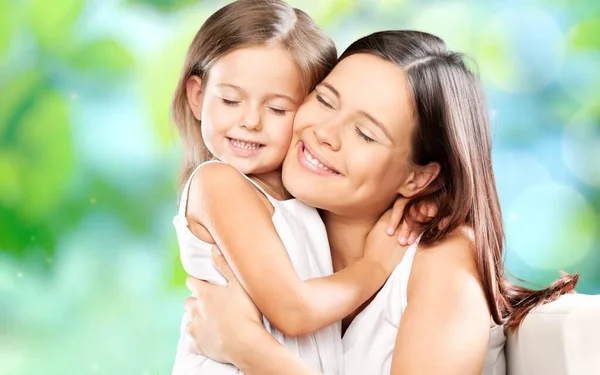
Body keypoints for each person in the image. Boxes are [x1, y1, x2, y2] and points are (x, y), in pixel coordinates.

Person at [183, 30, 579, 375]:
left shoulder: (441, 258)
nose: (325, 134)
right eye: (325, 100)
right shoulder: (271, 223)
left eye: (365, 134)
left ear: (418, 177)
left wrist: (248, 350)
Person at [170, 2, 422, 374]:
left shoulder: (305, 197)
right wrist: (375, 265)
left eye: (277, 109)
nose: (250, 121)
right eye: (230, 100)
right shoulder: (217, 183)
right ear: (197, 96)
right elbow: (294, 311)